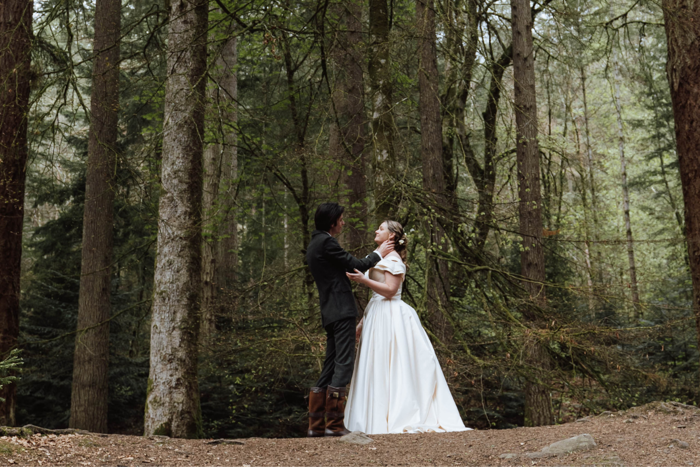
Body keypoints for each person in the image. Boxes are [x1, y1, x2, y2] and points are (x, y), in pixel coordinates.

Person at [345, 220, 471, 434]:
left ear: (392, 236)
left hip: (391, 317)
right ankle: (373, 418)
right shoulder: (380, 256)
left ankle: (394, 414)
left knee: (392, 363)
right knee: (377, 364)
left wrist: (362, 281)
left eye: (381, 228)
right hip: (377, 314)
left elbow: (390, 290)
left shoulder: (393, 259)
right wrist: (361, 323)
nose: (376, 230)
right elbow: (377, 298)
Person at [305, 203, 394, 437]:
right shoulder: (327, 242)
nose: (344, 223)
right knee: (344, 362)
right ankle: (334, 426)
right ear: (332, 222)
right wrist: (379, 253)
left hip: (329, 311)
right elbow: (355, 264)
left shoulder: (314, 244)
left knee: (330, 364)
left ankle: (315, 426)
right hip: (342, 310)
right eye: (341, 219)